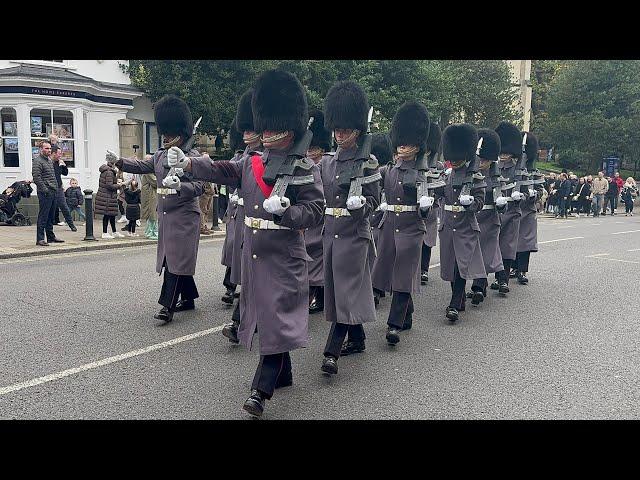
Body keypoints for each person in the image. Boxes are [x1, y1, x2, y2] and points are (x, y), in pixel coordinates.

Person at [173, 70, 324, 417]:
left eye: (272, 127)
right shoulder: (254, 160)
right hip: (256, 255)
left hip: (284, 256)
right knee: (270, 320)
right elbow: (224, 169)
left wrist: (287, 211)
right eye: (265, 126)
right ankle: (282, 373)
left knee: (274, 318)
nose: (267, 132)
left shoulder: (305, 167)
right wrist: (190, 162)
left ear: (289, 127)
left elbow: (315, 211)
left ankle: (260, 390)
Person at [108, 94, 205, 323]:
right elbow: (142, 165)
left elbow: (201, 186)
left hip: (184, 216)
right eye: (165, 133)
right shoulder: (161, 154)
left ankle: (166, 307)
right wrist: (119, 161)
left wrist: (181, 185)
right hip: (166, 215)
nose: (165, 137)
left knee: (174, 261)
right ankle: (189, 298)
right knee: (174, 259)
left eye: (170, 134)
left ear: (180, 135)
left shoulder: (192, 156)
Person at [319, 80, 380, 373]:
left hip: (355, 236)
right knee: (337, 291)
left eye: (345, 129)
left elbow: (373, 200)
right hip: (330, 234)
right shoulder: (326, 164)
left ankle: (332, 351)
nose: (340, 134)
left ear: (357, 129)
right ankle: (357, 337)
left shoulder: (368, 162)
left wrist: (361, 208)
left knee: (344, 291)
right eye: (337, 129)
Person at [372, 101, 431, 344]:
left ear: (417, 147)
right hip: (390, 225)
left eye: (408, 144)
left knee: (404, 274)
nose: (403, 147)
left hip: (410, 228)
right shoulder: (389, 171)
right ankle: (407, 314)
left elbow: (428, 203)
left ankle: (393, 324)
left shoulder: (422, 174)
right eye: (401, 143)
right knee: (391, 273)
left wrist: (426, 207)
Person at [220, 90, 263, 343]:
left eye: (251, 130)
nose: (246, 134)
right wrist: (191, 166)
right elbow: (222, 172)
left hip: (270, 227)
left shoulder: (274, 160)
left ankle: (240, 323)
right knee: (249, 278)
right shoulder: (241, 158)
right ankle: (241, 322)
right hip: (245, 221)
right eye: (244, 130)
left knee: (257, 282)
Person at [432, 123, 486, 322]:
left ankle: (454, 304)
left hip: (465, 226)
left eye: (457, 157)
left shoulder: (475, 176)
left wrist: (471, 202)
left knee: (461, 266)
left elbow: (480, 202)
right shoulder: (445, 175)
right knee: (450, 266)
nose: (454, 161)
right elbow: (438, 192)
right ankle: (459, 298)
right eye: (452, 158)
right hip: (448, 225)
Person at [466, 128, 504, 304]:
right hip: (473, 217)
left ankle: (479, 287)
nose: (481, 162)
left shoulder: (496, 175)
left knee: (485, 254)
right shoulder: (469, 172)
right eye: (480, 159)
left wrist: (503, 202)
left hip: (489, 217)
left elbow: (500, 199)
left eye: (485, 160)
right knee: (474, 254)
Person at [491, 122, 525, 294]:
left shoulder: (518, 169)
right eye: (501, 152)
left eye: (506, 153)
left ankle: (503, 280)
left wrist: (523, 195)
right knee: (493, 246)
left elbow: (527, 188)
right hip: (496, 212)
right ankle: (495, 278)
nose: (503, 156)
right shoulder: (494, 168)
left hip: (512, 212)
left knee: (507, 247)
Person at [305, 108, 332, 315]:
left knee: (318, 256)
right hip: (309, 216)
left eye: (315, 149)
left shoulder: (326, 164)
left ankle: (315, 296)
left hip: (324, 217)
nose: (310, 152)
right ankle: (317, 295)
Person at [513, 133, 543, 285]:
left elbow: (540, 190)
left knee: (525, 241)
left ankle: (522, 270)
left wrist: (534, 194)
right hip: (513, 208)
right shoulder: (512, 169)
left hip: (528, 210)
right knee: (510, 240)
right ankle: (512, 267)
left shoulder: (534, 171)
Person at [420, 121, 443, 285]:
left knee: (427, 240)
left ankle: (423, 269)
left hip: (432, 208)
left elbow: (442, 187)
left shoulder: (439, 166)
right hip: (416, 207)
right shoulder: (416, 162)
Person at [31, 141, 64, 246]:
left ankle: (50, 237)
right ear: (41, 149)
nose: (49, 150)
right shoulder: (37, 161)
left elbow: (52, 176)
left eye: (50, 148)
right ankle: (40, 239)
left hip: (53, 191)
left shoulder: (49, 160)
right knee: (43, 216)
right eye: (46, 148)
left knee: (51, 216)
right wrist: (45, 189)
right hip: (45, 193)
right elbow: (37, 177)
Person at [95, 157, 123, 239]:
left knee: (112, 214)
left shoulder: (107, 171)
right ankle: (105, 232)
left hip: (108, 196)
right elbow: (109, 185)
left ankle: (114, 232)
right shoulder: (109, 172)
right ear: (113, 163)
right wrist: (119, 185)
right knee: (107, 215)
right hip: (107, 196)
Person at [50, 145, 77, 231]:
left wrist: (64, 166)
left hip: (58, 188)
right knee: (49, 208)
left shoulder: (59, 162)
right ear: (53, 154)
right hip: (49, 188)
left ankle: (71, 225)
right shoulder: (48, 163)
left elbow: (65, 173)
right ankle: (47, 227)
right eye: (59, 153)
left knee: (64, 207)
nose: (60, 155)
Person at [140, 165, 158, 240]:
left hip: (150, 195)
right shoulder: (148, 172)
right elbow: (155, 182)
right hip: (150, 195)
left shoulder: (147, 171)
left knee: (152, 214)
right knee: (152, 213)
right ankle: (151, 232)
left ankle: (152, 232)